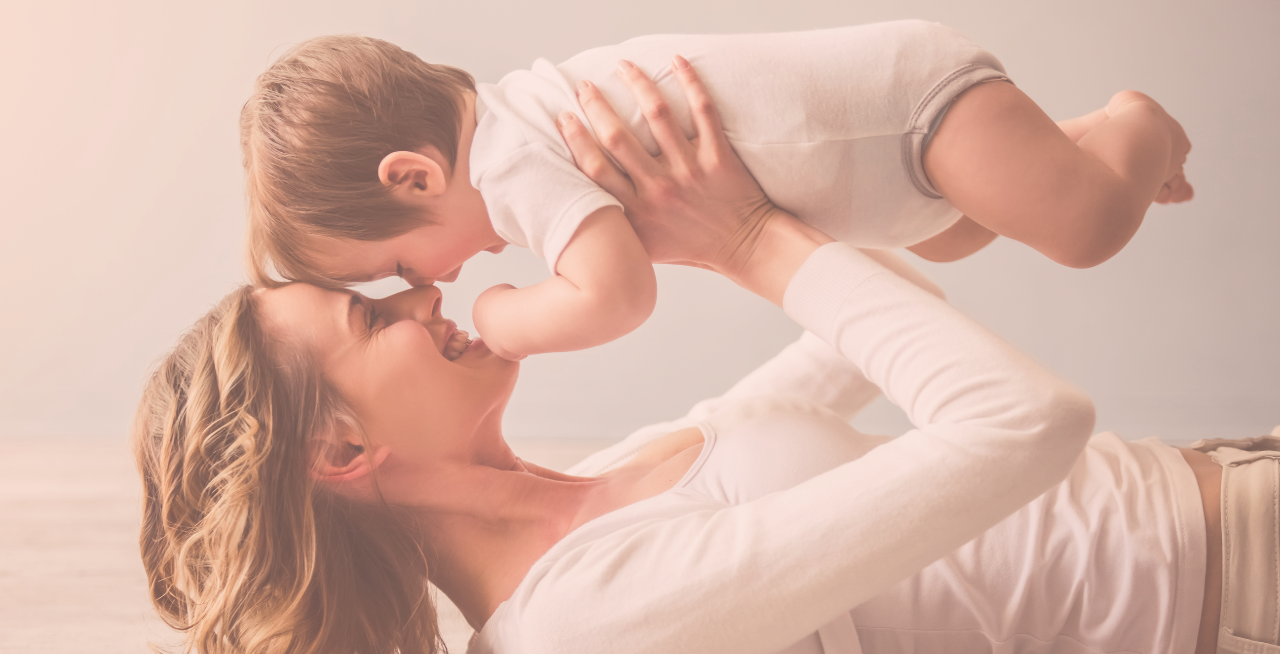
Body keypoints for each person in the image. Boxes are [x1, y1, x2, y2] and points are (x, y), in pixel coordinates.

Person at [133, 65, 1271, 654]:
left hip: (1228, 477)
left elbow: (882, 305)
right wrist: (746, 241)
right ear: (340, 455)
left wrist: (666, 206)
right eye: (374, 318)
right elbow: (1025, 423)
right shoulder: (581, 621)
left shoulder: (600, 477)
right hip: (1241, 600)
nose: (430, 298)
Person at [238, 20, 1193, 361]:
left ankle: (1131, 125)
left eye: (403, 261)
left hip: (910, 114)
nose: (434, 282)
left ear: (415, 175)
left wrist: (505, 317)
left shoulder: (509, 159)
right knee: (962, 232)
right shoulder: (519, 124)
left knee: (1083, 230)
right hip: (895, 173)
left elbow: (617, 295)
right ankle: (1063, 142)